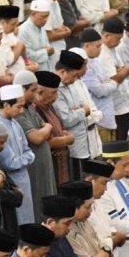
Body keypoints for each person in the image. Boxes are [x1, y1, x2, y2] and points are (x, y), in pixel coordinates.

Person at [13, 71, 58, 220]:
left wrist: (45, 128)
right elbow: (37, 138)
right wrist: (46, 129)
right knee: (37, 204)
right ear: (22, 90)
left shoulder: (29, 108)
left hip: (43, 165)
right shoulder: (18, 113)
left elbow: (45, 126)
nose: (35, 94)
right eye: (32, 90)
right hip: (33, 168)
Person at [0, 83, 35, 224]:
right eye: (18, 106)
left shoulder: (16, 124)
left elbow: (29, 151)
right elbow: (11, 163)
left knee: (27, 219)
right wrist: (27, 158)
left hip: (24, 178)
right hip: (10, 183)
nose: (22, 111)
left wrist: (24, 158)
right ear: (6, 105)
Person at [52, 49, 90, 179]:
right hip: (70, 146)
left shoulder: (70, 84)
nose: (75, 80)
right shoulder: (56, 88)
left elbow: (81, 104)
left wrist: (78, 110)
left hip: (81, 141)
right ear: (63, 72)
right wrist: (83, 111)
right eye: (74, 76)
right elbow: (67, 119)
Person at [32, 71, 73, 185]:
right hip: (48, 164)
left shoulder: (49, 107)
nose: (56, 96)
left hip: (61, 161)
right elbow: (45, 143)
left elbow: (61, 128)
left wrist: (64, 133)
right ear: (40, 92)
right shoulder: (35, 111)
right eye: (54, 92)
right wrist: (67, 139)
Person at [101, 17, 129, 141]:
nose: (120, 42)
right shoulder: (101, 54)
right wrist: (125, 70)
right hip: (114, 107)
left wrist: (124, 70)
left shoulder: (113, 49)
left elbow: (122, 70)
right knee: (119, 143)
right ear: (107, 36)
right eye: (118, 39)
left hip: (124, 103)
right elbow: (112, 79)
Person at [0, 5, 38, 75]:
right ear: (2, 22)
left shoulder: (10, 34)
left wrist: (27, 62)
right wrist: (20, 46)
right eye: (13, 24)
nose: (15, 28)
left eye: (17, 25)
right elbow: (9, 61)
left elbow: (20, 53)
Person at [18, 0, 55, 72]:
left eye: (47, 16)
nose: (46, 20)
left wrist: (49, 50)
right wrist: (46, 52)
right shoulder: (23, 30)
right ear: (33, 13)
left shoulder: (41, 27)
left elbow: (47, 47)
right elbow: (27, 56)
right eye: (43, 16)